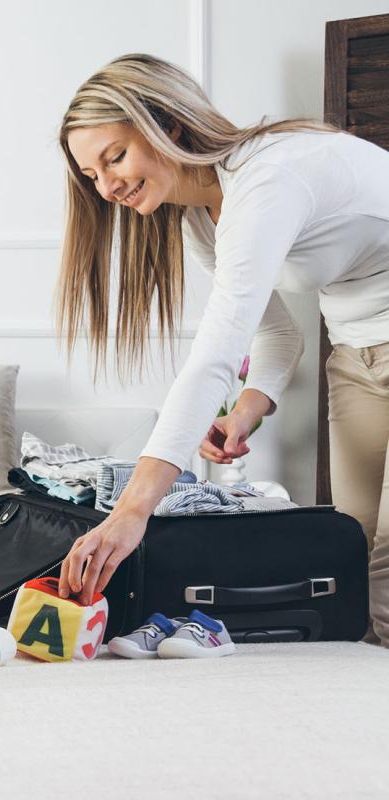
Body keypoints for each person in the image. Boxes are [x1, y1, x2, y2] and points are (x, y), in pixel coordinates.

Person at [53, 54, 389, 645]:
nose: (106, 187)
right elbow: (276, 332)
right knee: (352, 555)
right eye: (91, 174)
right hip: (357, 357)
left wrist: (132, 511)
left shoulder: (268, 177)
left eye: (115, 157)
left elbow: (215, 350)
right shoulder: (202, 217)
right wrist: (244, 411)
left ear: (169, 126)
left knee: (387, 574)